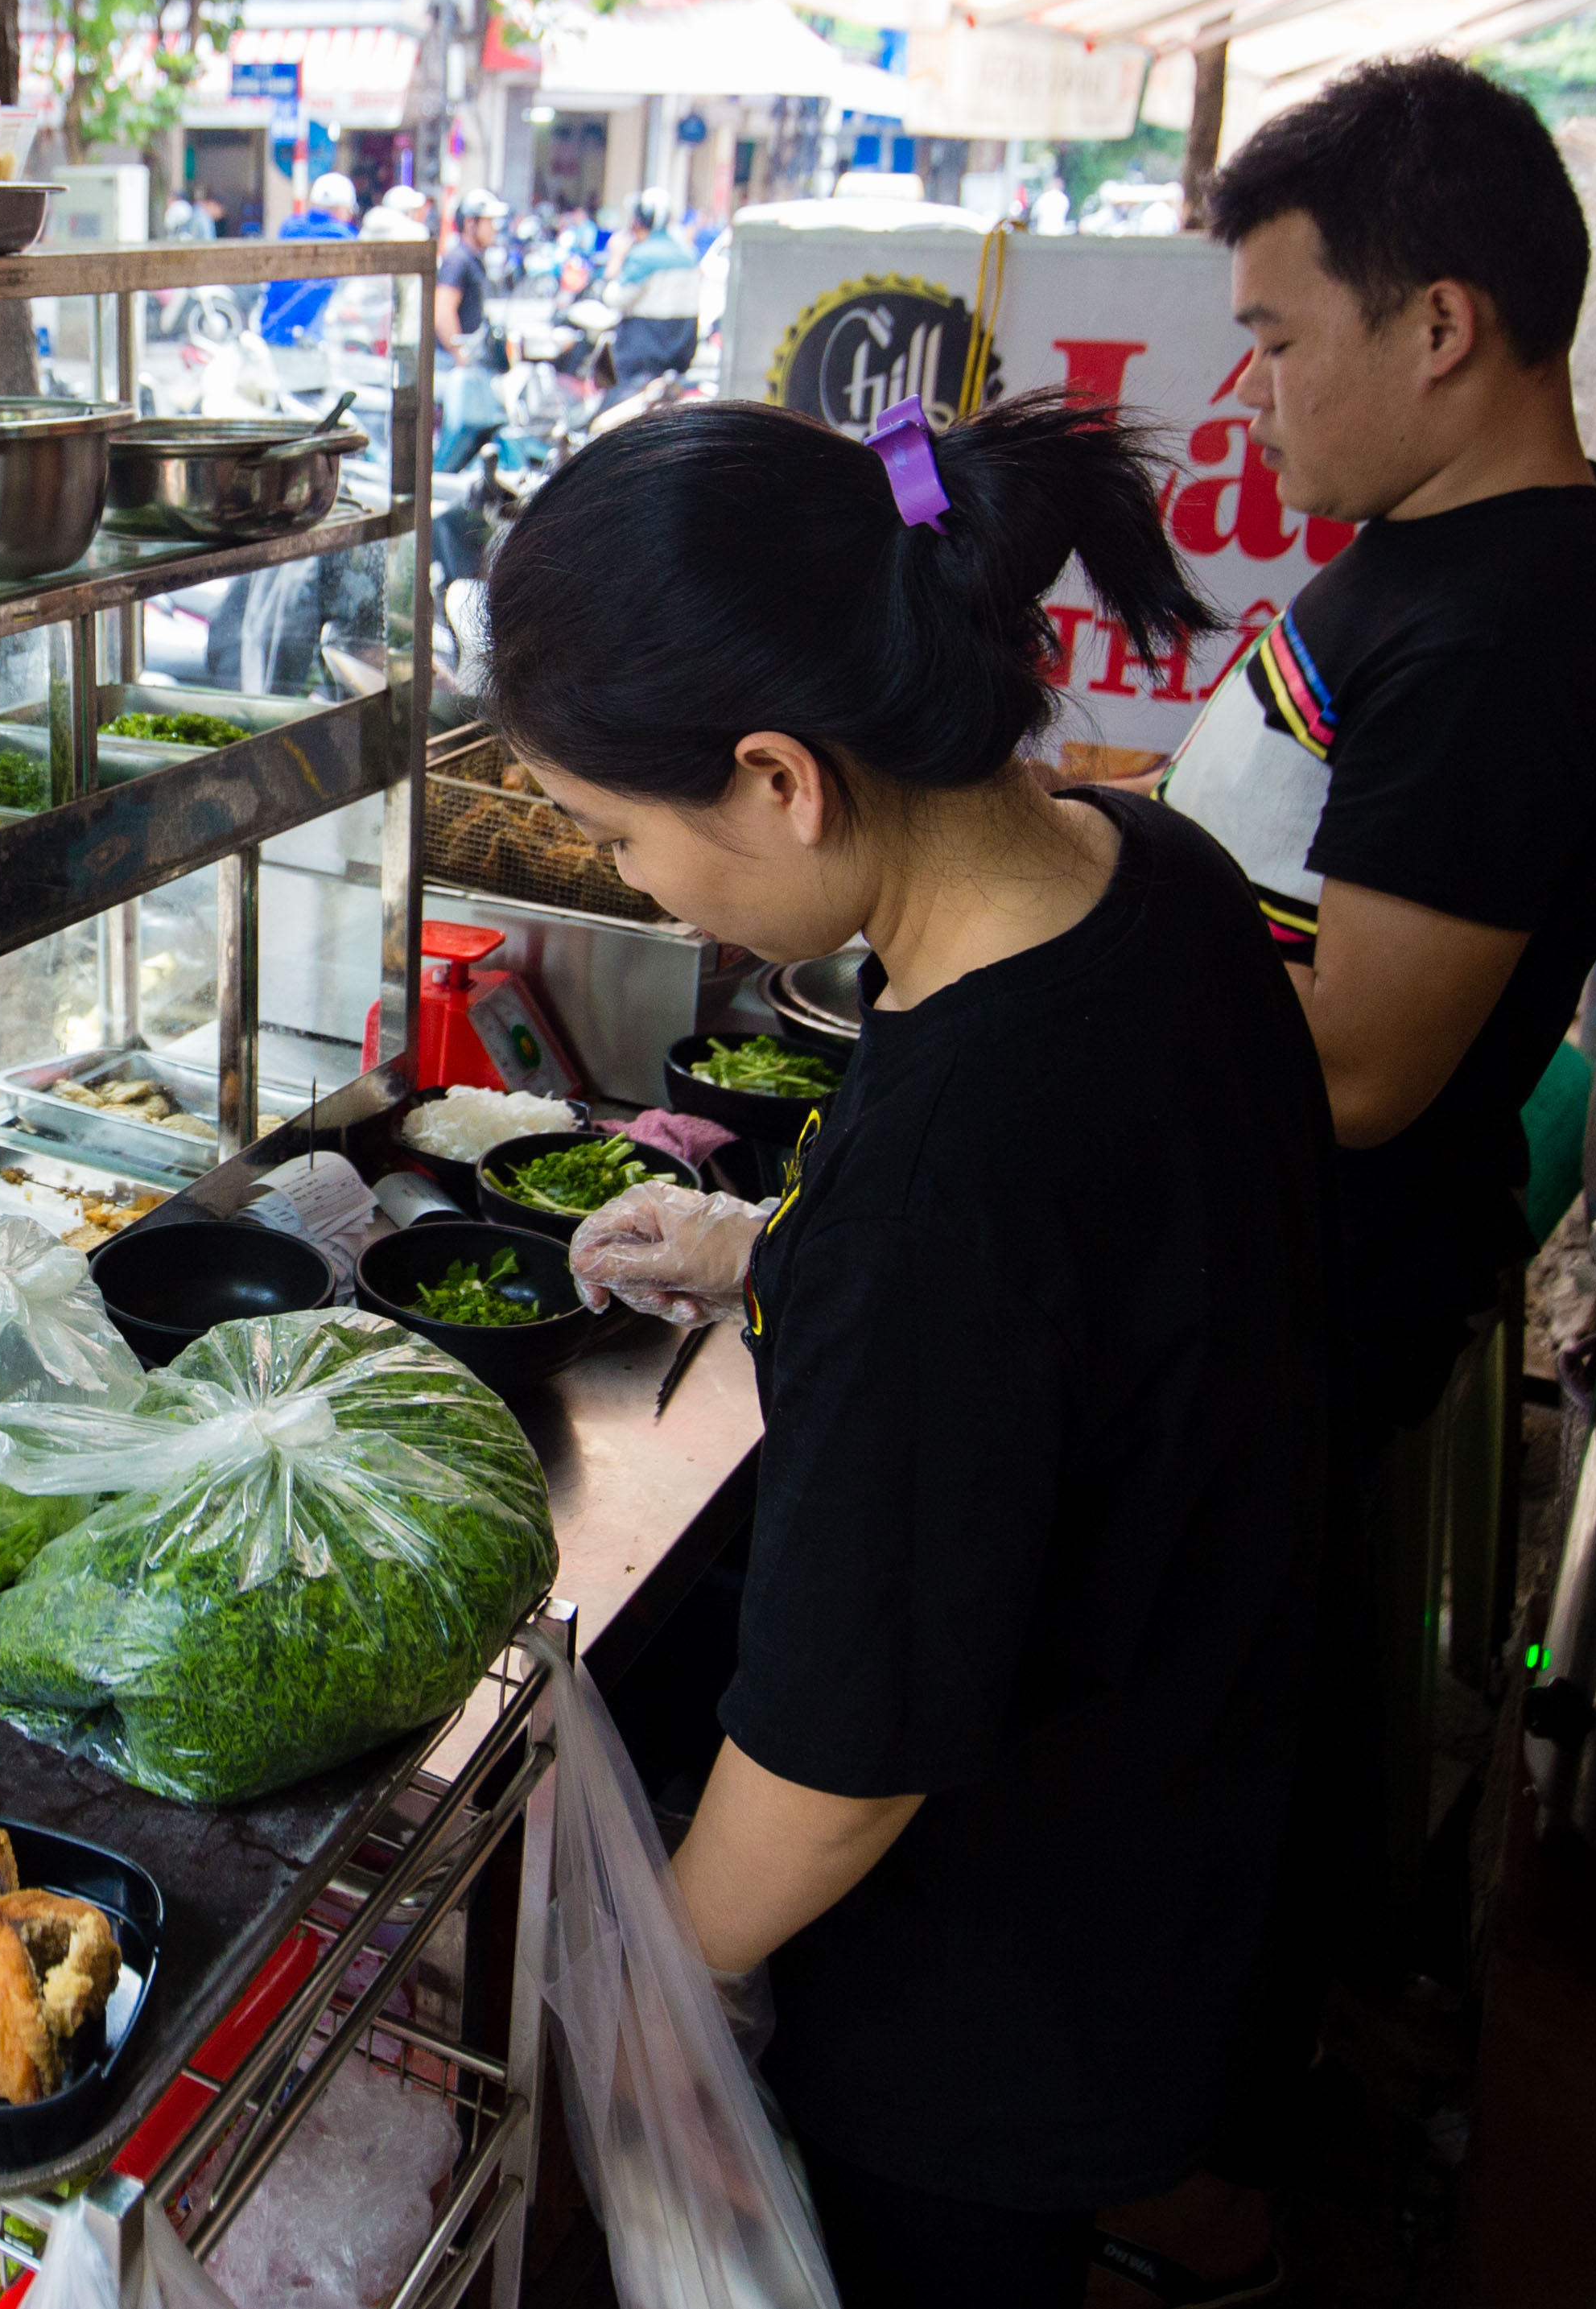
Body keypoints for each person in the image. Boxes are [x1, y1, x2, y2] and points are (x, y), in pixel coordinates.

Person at [489, 394, 1333, 2309]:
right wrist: (769, 1246)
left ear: (779, 777)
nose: (633, 883)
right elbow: (1101, 1296)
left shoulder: (948, 1180)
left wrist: (646, 1992)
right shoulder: (1149, 874)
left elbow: (837, 1770)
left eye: (622, 835)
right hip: (1181, 1804)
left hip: (992, 1973)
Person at [1101, 52, 1596, 2305]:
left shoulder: (1516, 633)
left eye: (1274, 335)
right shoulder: (1424, 570)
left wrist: (1083, 926)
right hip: (1232, 1259)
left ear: (1438, 325)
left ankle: (1190, 2200)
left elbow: (1350, 1065)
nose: (1247, 394)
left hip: (1287, 1290)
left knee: (1179, 1764)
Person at [435, 188, 510, 469]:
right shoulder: (458, 260)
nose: (494, 229)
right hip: (450, 365)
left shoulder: (473, 259)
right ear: (470, 223)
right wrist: (459, 354)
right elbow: (443, 311)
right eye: (489, 221)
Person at [603, 188, 703, 386]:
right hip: (681, 352)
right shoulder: (688, 254)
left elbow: (615, 298)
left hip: (644, 356)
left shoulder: (642, 256)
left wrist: (615, 261)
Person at [258, 170, 358, 351]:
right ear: (341, 208)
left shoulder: (290, 226)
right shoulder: (344, 235)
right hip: (314, 335)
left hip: (273, 327)